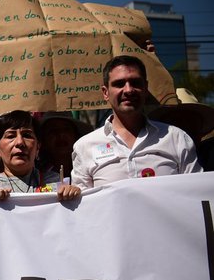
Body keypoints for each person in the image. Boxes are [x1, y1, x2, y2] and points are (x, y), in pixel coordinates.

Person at [71, 56, 201, 188]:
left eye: (135, 83)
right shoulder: (84, 146)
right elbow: (84, 202)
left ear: (145, 88)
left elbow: (196, 192)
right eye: (119, 84)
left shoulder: (176, 138)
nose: (128, 90)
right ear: (105, 93)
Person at [0, 110, 80, 202]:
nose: (20, 142)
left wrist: (76, 197)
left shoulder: (55, 182)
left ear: (38, 147)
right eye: (10, 136)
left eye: (27, 135)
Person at [36, 112, 92, 180]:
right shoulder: (35, 174)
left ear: (76, 136)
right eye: (53, 131)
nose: (61, 135)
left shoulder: (89, 167)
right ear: (43, 140)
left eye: (66, 129)